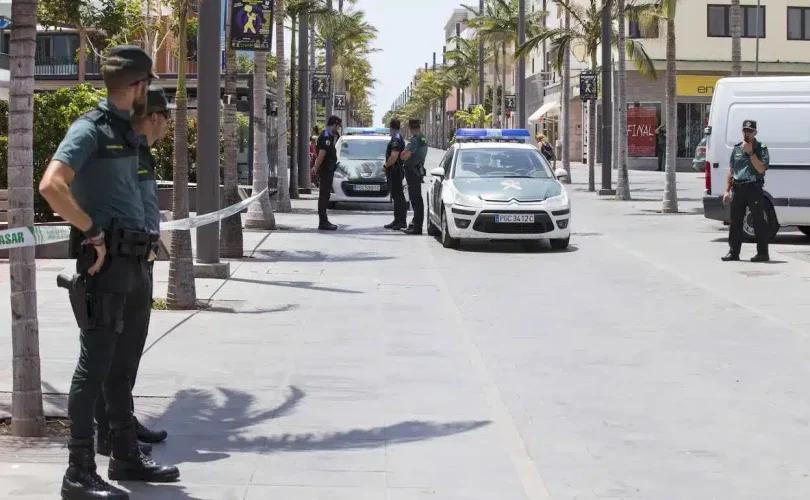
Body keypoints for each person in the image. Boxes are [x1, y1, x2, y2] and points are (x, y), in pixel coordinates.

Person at [39, 45, 180, 500]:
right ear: (138, 87)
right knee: (94, 368)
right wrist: (92, 231)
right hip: (107, 263)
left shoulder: (127, 130)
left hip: (137, 262)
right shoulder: (91, 129)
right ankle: (77, 472)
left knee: (122, 367)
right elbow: (51, 186)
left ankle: (123, 454)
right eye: (149, 87)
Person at [93, 85, 171, 459]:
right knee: (118, 353)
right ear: (155, 118)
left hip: (138, 258)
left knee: (128, 351)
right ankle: (111, 432)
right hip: (125, 261)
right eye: (166, 120)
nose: (167, 128)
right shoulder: (130, 150)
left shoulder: (138, 151)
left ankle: (120, 421)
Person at [722, 119, 771, 263]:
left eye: (750, 131)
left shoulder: (761, 148)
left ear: (755, 132)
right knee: (735, 222)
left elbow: (761, 168)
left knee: (758, 221)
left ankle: (762, 254)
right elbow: (731, 171)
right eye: (745, 130)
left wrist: (750, 153)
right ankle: (733, 252)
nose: (747, 133)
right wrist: (727, 190)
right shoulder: (737, 148)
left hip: (753, 187)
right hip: (738, 188)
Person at [400, 118, 429, 235]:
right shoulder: (423, 138)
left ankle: (417, 226)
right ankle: (416, 224)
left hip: (413, 172)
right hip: (417, 171)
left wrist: (402, 154)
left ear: (410, 128)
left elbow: (404, 156)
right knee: (417, 199)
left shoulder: (415, 140)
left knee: (415, 199)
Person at [314, 115, 341, 230]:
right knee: (324, 196)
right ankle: (323, 222)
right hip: (325, 171)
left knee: (325, 196)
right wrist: (315, 168)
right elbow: (321, 155)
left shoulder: (329, 136)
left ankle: (324, 221)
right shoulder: (325, 137)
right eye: (338, 126)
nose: (338, 129)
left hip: (328, 170)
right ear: (334, 125)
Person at [383, 118, 407, 230]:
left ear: (391, 127)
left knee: (398, 197)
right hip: (396, 170)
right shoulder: (397, 137)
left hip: (395, 170)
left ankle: (401, 221)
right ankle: (397, 220)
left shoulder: (396, 139)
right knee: (397, 197)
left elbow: (394, 155)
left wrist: (386, 166)